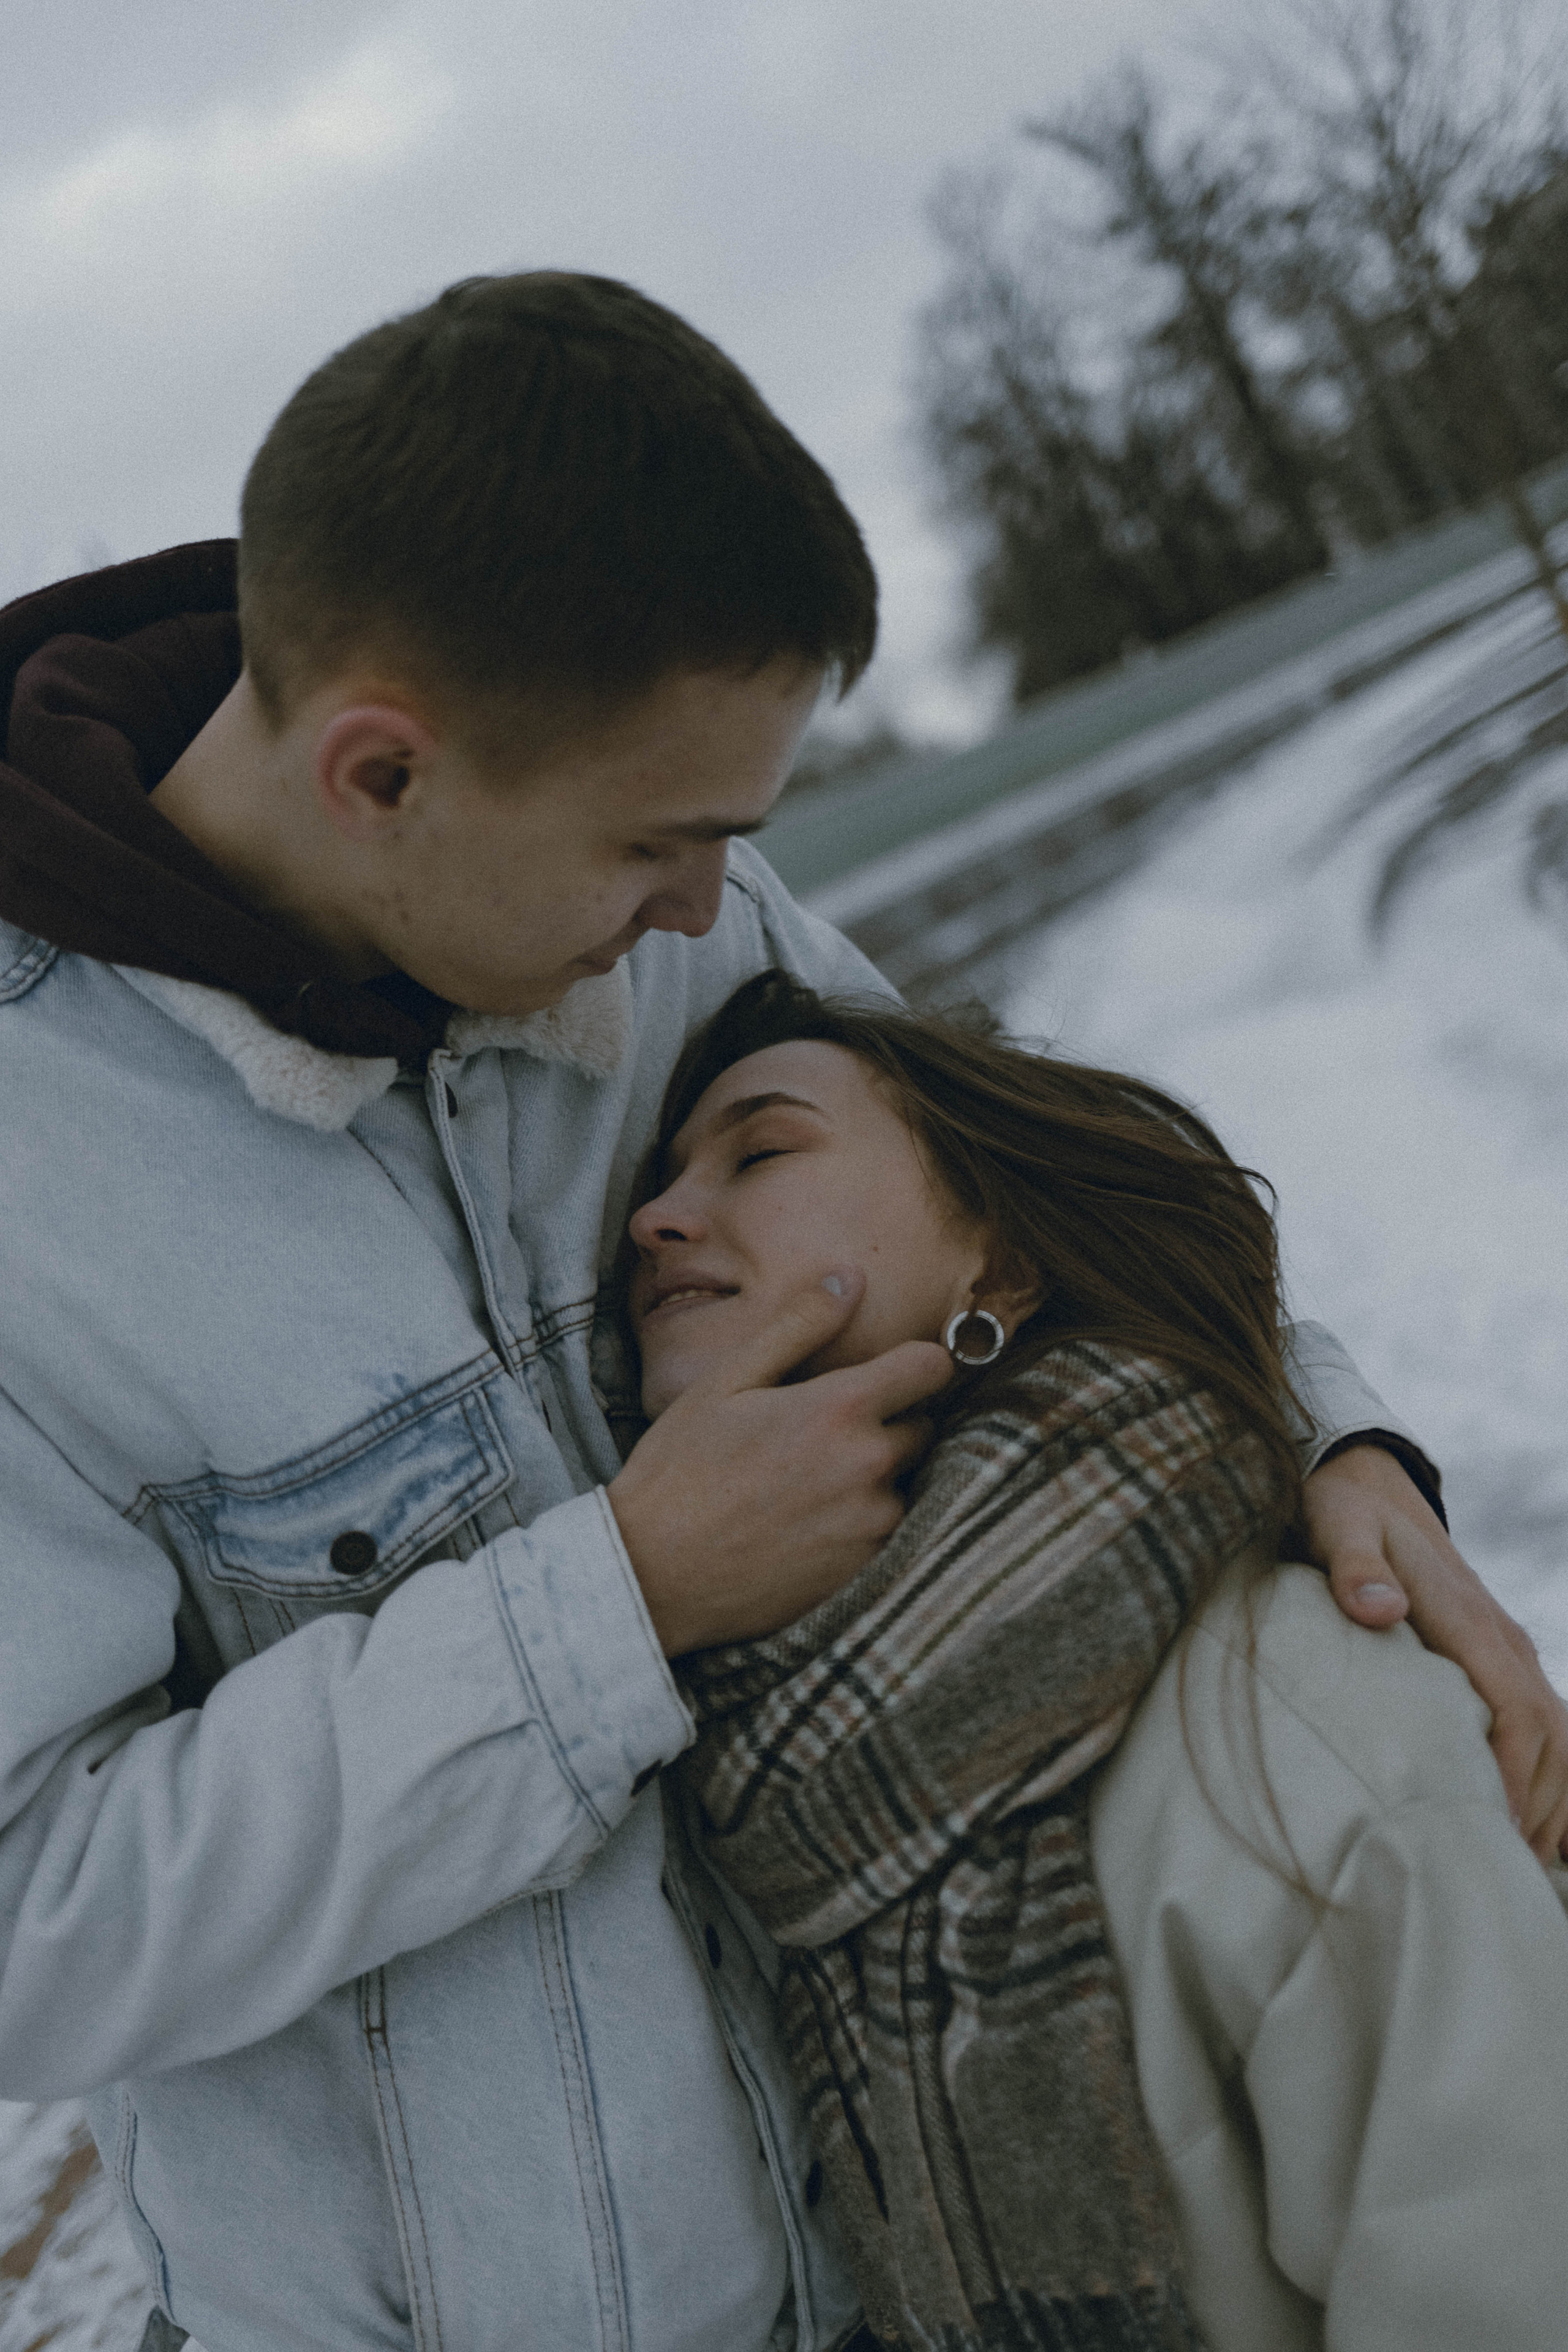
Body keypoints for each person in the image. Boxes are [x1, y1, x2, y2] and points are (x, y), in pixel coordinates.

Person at [0, 273, 1558, 2352]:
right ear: (383, 773)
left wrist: (1330, 1433)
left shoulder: (628, 882)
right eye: (662, 844)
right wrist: (611, 1607)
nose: (707, 917)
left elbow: (1014, 1182)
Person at [628, 970, 1568, 2352]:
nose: (655, 1217)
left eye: (760, 1152)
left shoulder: (1297, 1727)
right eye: (659, 1184)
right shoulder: (765, 1787)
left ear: (996, 1269)